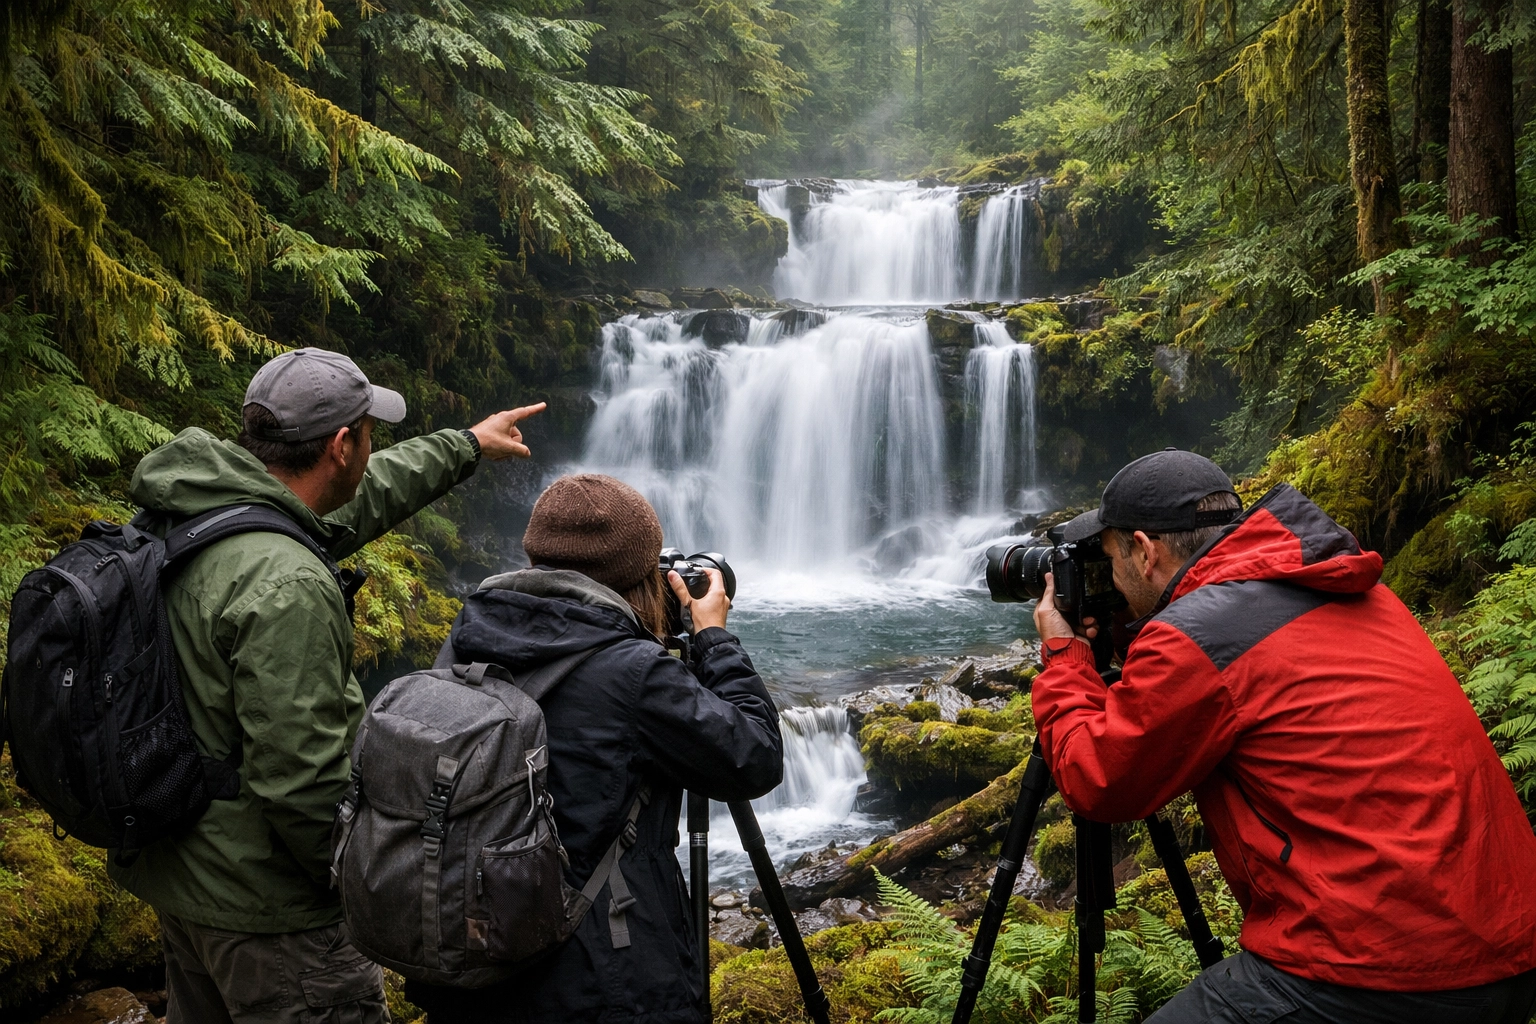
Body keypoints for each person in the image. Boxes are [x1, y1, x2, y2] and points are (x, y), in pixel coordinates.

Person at [109, 346, 546, 1024]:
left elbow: (365, 496)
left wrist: (466, 446)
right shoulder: (286, 584)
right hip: (273, 914)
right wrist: (373, 895)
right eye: (370, 436)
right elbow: (303, 780)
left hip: (187, 880)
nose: (373, 451)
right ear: (342, 445)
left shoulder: (199, 513)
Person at [1029, 447, 1536, 1024]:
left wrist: (1065, 658)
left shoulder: (1196, 638)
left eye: (1110, 556)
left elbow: (1100, 780)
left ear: (1146, 551)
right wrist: (1132, 639)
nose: (1109, 577)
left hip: (1380, 970)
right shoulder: (1350, 589)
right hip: (1508, 941)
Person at [405, 473, 783, 1023]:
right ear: (639, 576)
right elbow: (755, 755)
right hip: (601, 979)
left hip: (480, 957)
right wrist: (712, 639)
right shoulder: (635, 675)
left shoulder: (470, 631)